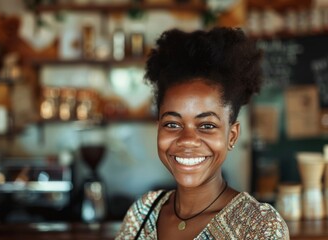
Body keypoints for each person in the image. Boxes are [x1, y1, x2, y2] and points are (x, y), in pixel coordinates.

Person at [115, 27, 289, 239]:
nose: (187, 140)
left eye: (207, 125)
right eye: (172, 124)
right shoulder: (142, 213)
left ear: (232, 136)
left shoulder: (257, 226)